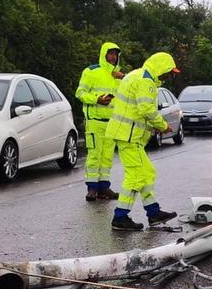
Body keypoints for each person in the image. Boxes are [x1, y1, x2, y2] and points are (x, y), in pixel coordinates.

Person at [105, 52, 180, 231]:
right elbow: (146, 109)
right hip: (128, 136)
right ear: (161, 68)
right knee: (136, 176)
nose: (168, 77)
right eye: (168, 72)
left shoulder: (137, 75)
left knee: (147, 172)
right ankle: (120, 217)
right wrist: (163, 126)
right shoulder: (145, 81)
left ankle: (153, 212)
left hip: (128, 135)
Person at [76, 42, 125, 201]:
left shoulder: (118, 76)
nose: (113, 57)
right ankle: (92, 188)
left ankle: (104, 187)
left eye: (115, 54)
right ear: (104, 54)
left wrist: (123, 77)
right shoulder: (91, 71)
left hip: (112, 122)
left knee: (107, 156)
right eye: (110, 53)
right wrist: (97, 99)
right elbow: (80, 93)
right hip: (95, 120)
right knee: (94, 155)